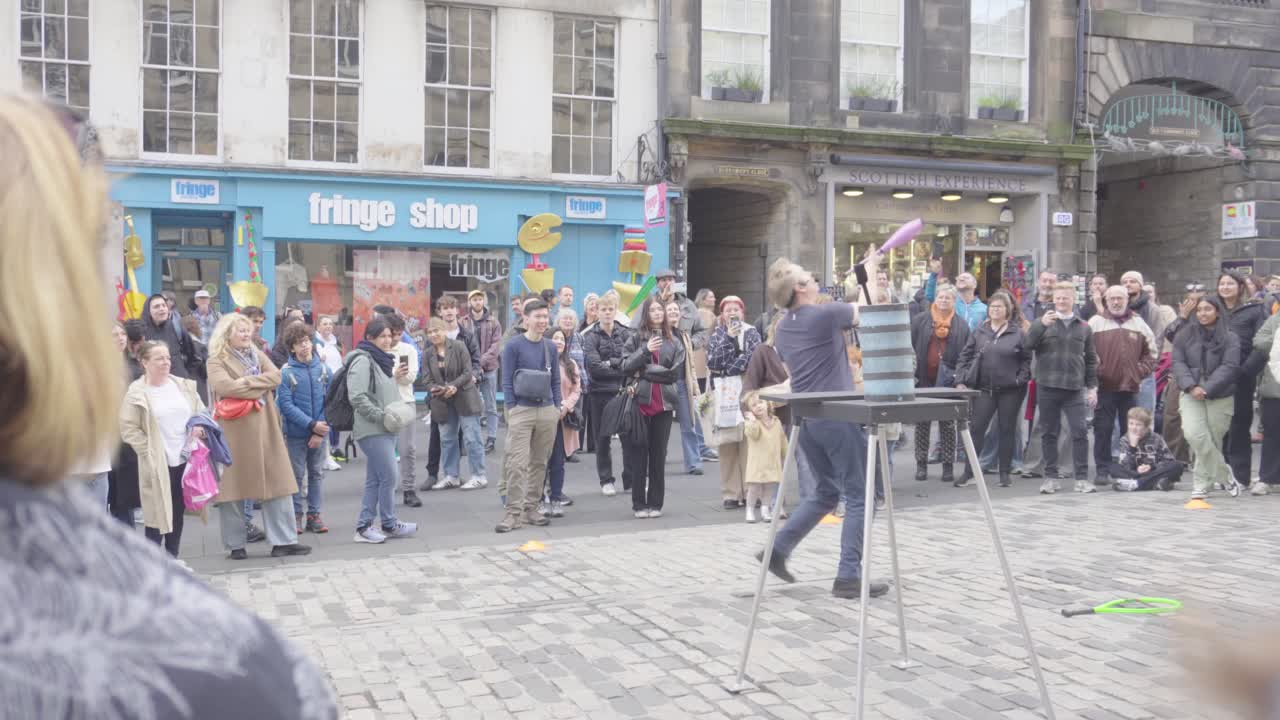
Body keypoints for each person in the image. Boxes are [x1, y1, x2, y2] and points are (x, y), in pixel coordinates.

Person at [0, 93, 338, 719]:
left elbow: (271, 375)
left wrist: (261, 378)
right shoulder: (217, 670)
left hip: (206, 445)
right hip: (161, 456)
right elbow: (236, 386)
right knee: (165, 511)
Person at [760, 252, 890, 600]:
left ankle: (777, 550)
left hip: (807, 418)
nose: (815, 279)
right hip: (838, 414)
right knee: (862, 495)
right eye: (809, 276)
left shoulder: (784, 327)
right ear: (801, 288)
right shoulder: (823, 315)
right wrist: (872, 270)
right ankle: (848, 575)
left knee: (824, 493)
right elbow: (868, 311)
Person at [206, 314, 312, 559]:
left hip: (266, 428)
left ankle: (284, 541)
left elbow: (277, 376)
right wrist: (258, 386)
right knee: (232, 490)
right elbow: (224, 387)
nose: (246, 334)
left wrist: (246, 382)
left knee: (277, 483)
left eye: (247, 330)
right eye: (240, 330)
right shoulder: (216, 360)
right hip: (234, 431)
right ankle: (236, 545)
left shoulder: (257, 353)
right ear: (226, 334)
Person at [119, 341, 205, 556]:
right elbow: (128, 427)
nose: (166, 362)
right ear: (144, 362)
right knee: (157, 514)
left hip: (185, 459)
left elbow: (201, 413)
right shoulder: (137, 391)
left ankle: (173, 557)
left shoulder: (182, 385)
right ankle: (154, 563)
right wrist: (148, 450)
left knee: (177, 511)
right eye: (159, 358)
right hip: (157, 462)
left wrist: (199, 428)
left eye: (167, 358)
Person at [348, 315, 419, 543]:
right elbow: (357, 396)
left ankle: (368, 526)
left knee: (376, 479)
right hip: (373, 428)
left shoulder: (381, 360)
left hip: (386, 428)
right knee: (390, 475)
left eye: (390, 335)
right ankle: (385, 523)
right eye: (382, 336)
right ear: (370, 338)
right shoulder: (363, 360)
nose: (388, 340)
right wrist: (382, 416)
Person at [1025, 281, 1099, 494]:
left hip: (1074, 387)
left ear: (1072, 299)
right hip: (1047, 385)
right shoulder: (1043, 322)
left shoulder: (1084, 327)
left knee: (1080, 432)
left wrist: (1092, 387)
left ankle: (1082, 478)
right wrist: (1040, 325)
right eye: (1057, 298)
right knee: (1049, 432)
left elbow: (1091, 359)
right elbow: (1027, 346)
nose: (1061, 301)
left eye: (1065, 297)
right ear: (1053, 300)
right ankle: (1051, 477)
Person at [955, 290, 1031, 488]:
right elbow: (965, 355)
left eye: (1000, 306)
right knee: (976, 429)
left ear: (1008, 310)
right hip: (984, 389)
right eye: (992, 306)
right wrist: (961, 379)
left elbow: (1027, 359)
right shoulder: (980, 331)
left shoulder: (1018, 333)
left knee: (1007, 429)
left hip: (1010, 390)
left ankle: (1004, 473)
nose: (995, 309)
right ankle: (969, 472)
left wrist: (1019, 380)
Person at [497, 300, 560, 533]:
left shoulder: (550, 347)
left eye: (546, 316)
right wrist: (512, 407)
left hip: (547, 410)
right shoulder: (513, 345)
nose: (543, 321)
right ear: (526, 319)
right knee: (516, 463)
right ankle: (513, 513)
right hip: (521, 410)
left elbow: (555, 379)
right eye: (538, 316)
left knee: (539, 462)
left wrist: (557, 406)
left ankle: (531, 507)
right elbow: (506, 379)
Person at [620, 297, 685, 518]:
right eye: (654, 309)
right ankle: (639, 504)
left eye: (661, 309)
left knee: (658, 456)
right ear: (646, 314)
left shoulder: (674, 341)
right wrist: (645, 351)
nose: (658, 313)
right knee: (639, 454)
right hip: (640, 402)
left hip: (664, 404)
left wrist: (645, 371)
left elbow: (673, 374)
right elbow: (626, 366)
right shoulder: (636, 338)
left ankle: (656, 503)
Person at [1172, 295, 1242, 500]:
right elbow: (1178, 363)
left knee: (1212, 438)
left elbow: (1230, 366)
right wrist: (1192, 386)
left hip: (1220, 395)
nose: (1203, 313)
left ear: (1218, 312)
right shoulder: (1184, 335)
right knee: (1194, 435)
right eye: (1200, 309)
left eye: (1208, 309)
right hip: (1190, 393)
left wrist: (1207, 388)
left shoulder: (1231, 337)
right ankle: (1225, 476)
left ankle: (1202, 484)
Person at [1087, 285, 1156, 487]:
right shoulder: (1096, 323)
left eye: (1120, 298)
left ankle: (1131, 467)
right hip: (1104, 387)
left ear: (1127, 299)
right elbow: (1086, 353)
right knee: (1103, 429)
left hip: (1130, 387)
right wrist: (1096, 373)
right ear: (1106, 300)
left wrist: (1139, 372)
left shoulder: (1139, 323)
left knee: (1133, 430)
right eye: (1112, 299)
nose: (1116, 302)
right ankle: (1102, 469)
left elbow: (1152, 353)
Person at [910, 283, 971, 485]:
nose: (944, 301)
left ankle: (947, 466)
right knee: (922, 423)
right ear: (935, 299)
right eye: (941, 297)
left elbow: (966, 354)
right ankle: (921, 464)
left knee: (947, 425)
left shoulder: (961, 325)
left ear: (954, 301)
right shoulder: (920, 321)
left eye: (948, 298)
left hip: (948, 381)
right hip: (924, 379)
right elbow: (910, 346)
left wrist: (960, 378)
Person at [707, 296, 763, 509]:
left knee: (749, 440)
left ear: (742, 312)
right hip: (725, 391)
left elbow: (753, 358)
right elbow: (713, 362)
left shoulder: (752, 332)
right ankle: (731, 493)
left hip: (748, 389)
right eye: (727, 309)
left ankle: (752, 491)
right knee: (728, 442)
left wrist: (730, 367)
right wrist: (729, 341)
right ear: (722, 315)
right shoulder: (718, 335)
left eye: (736, 309)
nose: (732, 313)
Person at [276, 322, 330, 535]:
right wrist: (311, 425)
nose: (305, 346)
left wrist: (319, 429)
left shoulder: (324, 369)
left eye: (306, 341)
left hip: (321, 432)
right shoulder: (287, 373)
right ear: (292, 348)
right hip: (297, 434)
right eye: (299, 344)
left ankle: (314, 515)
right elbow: (286, 406)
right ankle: (296, 515)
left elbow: (332, 400)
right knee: (296, 475)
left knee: (316, 474)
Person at [422, 317, 486, 493]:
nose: (434, 334)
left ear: (444, 330)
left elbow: (468, 372)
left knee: (472, 438)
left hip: (465, 395)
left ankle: (479, 476)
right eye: (430, 332)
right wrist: (438, 389)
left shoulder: (458, 346)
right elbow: (426, 379)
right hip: (442, 400)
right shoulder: (427, 353)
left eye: (437, 330)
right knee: (447, 439)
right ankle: (451, 476)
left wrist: (453, 386)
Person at [1216, 271, 1268, 488]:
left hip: (1241, 376)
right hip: (1216, 377)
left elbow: (1261, 346)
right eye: (1222, 283)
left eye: (1230, 283)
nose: (1225, 287)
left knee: (1238, 425)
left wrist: (1246, 371)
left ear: (1240, 287)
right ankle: (1220, 473)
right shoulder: (1213, 310)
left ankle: (1240, 475)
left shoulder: (1254, 310)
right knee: (1218, 426)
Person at [583, 291, 634, 496]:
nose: (606, 313)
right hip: (598, 392)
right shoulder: (590, 336)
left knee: (627, 438)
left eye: (610, 309)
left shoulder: (626, 333)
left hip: (622, 391)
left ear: (616, 311)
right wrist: (618, 365)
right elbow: (594, 366)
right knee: (601, 438)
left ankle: (630, 479)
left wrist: (611, 364)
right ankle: (606, 480)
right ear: (596, 311)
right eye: (603, 309)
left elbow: (631, 363)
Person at [370, 313, 422, 508]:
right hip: (383, 403)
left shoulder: (408, 349)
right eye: (392, 334)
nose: (395, 339)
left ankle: (409, 488)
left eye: (399, 334)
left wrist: (394, 376)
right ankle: (382, 487)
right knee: (383, 449)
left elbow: (411, 377)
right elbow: (376, 380)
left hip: (405, 401)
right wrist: (394, 375)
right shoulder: (376, 351)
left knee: (407, 448)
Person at [108, 320, 146, 526]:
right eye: (114, 335)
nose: (120, 339)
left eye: (122, 334)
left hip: (128, 436)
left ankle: (126, 531)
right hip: (108, 434)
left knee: (125, 495)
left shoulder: (134, 366)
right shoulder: (100, 366)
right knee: (111, 491)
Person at [664, 297, 708, 475]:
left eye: (676, 310)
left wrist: (695, 388)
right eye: (670, 310)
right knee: (660, 427)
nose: (674, 313)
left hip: (683, 384)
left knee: (689, 424)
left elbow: (689, 365)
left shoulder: (684, 335)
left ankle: (694, 463)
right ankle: (653, 463)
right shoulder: (657, 334)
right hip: (663, 386)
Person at [459, 289, 502, 454]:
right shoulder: (463, 322)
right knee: (470, 405)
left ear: (483, 301)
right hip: (469, 370)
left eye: (480, 299)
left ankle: (491, 439)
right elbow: (460, 344)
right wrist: (470, 365)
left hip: (489, 369)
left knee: (491, 405)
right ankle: (472, 438)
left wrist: (480, 362)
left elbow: (496, 346)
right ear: (470, 302)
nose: (477, 302)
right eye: (474, 299)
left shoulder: (493, 322)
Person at [544, 327, 582, 516]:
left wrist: (565, 406)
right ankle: (541, 499)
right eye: (555, 338)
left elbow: (577, 389)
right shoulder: (540, 362)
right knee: (541, 460)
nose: (559, 341)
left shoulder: (570, 364)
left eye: (562, 339)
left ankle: (556, 498)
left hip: (561, 418)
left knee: (558, 461)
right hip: (543, 417)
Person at [1107, 407, 1182, 492]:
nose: (1133, 428)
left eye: (1138, 425)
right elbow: (1125, 466)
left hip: (1153, 471)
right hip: (1135, 473)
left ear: (1146, 427)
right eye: (1131, 424)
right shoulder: (1125, 439)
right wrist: (1132, 446)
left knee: (1177, 466)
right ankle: (1154, 483)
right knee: (1112, 467)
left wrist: (1151, 466)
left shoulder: (1157, 438)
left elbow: (1168, 460)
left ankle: (1137, 484)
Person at [741, 390, 786, 523]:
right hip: (757, 462)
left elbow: (782, 439)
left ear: (768, 404)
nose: (758, 406)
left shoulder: (776, 422)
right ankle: (749, 509)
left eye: (760, 402)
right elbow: (752, 434)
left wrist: (786, 453)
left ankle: (765, 509)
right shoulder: (751, 423)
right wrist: (752, 420)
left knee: (769, 488)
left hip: (772, 462)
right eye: (754, 405)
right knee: (754, 488)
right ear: (750, 410)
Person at [141, 293, 200, 379]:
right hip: (152, 384)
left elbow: (194, 357)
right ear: (148, 311)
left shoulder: (177, 328)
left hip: (177, 384)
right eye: (156, 306)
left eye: (164, 305)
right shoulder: (142, 331)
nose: (162, 309)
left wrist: (183, 373)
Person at [1252, 310, 1280, 493]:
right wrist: (1278, 340)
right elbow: (1259, 341)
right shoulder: (1276, 318)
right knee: (1272, 434)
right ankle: (1267, 478)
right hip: (1274, 387)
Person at [314, 314, 346, 466]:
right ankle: (326, 451)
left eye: (330, 324)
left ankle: (335, 447)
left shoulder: (335, 342)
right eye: (324, 324)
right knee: (327, 416)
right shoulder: (315, 342)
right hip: (324, 384)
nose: (328, 326)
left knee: (336, 415)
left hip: (337, 382)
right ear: (318, 327)